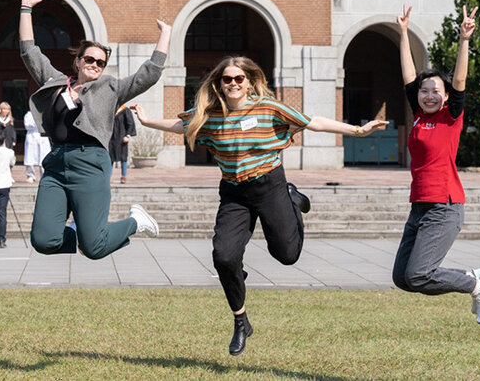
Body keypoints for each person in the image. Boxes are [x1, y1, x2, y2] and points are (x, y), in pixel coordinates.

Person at [133, 55, 388, 357]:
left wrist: (358, 131)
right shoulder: (209, 114)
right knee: (224, 257)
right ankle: (241, 322)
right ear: (219, 83)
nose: (232, 84)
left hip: (270, 187)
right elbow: (180, 124)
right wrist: (148, 120)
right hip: (234, 193)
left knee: (287, 255)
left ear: (250, 81)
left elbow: (313, 122)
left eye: (238, 79)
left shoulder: (270, 108)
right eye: (227, 79)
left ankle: (292, 199)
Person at [19, 0, 166, 260]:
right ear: (78, 61)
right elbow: (29, 52)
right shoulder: (55, 81)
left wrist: (165, 34)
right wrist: (25, 10)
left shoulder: (110, 88)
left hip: (91, 164)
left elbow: (149, 75)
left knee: (94, 250)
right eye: (90, 59)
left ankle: (134, 221)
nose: (95, 65)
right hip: (56, 164)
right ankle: (90, 236)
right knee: (43, 240)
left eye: (101, 62)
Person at [394, 4, 480, 323]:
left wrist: (464, 39)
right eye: (424, 91)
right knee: (403, 278)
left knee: (419, 274)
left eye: (435, 91)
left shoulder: (450, 116)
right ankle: (474, 277)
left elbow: (461, 78)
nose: (428, 95)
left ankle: (479, 285)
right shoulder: (417, 117)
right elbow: (409, 75)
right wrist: (402, 33)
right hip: (419, 207)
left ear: (444, 95)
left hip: (445, 205)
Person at [108, 105, 136, 184]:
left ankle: (123, 176)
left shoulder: (125, 110)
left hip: (122, 138)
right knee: (110, 158)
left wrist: (127, 135)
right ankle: (108, 177)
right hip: (111, 139)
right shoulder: (111, 109)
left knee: (123, 157)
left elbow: (130, 123)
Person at [22, 110, 48, 183]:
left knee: (43, 156)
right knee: (29, 157)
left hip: (42, 136)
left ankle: (44, 175)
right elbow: (28, 125)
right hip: (31, 135)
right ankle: (30, 175)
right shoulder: (29, 114)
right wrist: (37, 123)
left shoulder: (44, 113)